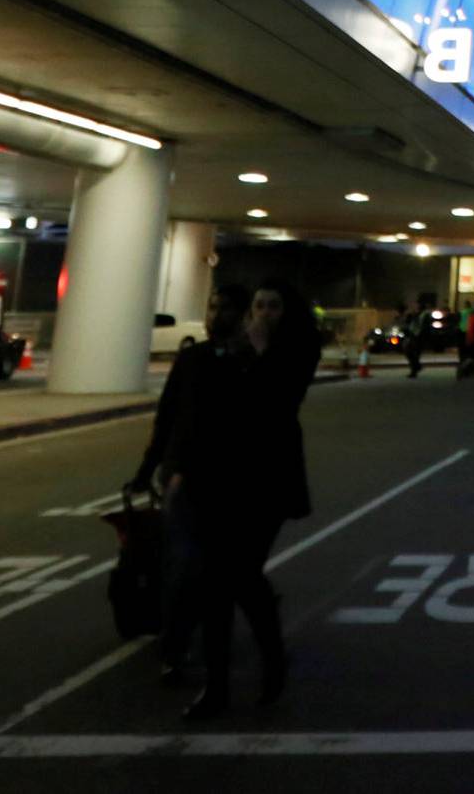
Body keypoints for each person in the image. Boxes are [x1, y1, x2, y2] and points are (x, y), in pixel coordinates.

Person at [163, 281, 313, 723]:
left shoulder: (294, 353)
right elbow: (202, 416)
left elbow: (279, 405)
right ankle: (220, 685)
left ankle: (270, 662)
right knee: (220, 584)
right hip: (219, 483)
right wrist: (179, 470)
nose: (263, 314)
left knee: (240, 575)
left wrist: (264, 352)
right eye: (258, 306)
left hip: (266, 487)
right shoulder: (220, 355)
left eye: (273, 306)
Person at [136, 281, 249, 680]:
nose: (217, 315)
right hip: (185, 479)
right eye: (213, 306)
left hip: (233, 483)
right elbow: (168, 417)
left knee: (222, 569)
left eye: (227, 308)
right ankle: (176, 648)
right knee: (183, 565)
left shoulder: (249, 362)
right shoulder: (191, 359)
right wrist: (147, 469)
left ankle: (212, 646)